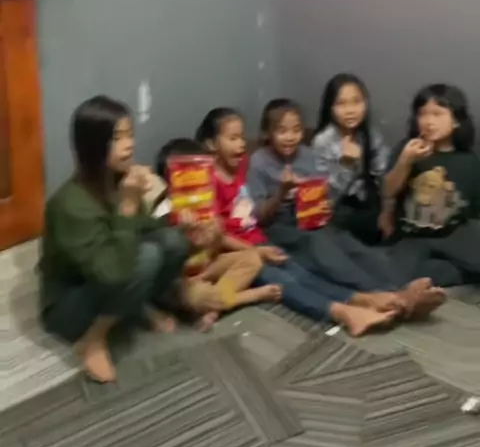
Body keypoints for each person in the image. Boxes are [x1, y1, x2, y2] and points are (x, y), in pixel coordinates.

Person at [195, 107, 442, 335]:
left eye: (241, 137)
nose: (241, 144)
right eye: (233, 138)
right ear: (211, 143)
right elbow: (219, 234)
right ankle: (345, 312)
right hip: (240, 252)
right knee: (286, 279)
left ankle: (369, 299)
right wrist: (256, 249)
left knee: (303, 272)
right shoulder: (207, 180)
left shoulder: (240, 168)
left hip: (259, 241)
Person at [40, 96, 212, 384]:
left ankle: (138, 306)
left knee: (173, 240)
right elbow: (113, 273)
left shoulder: (117, 181)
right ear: (93, 145)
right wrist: (129, 205)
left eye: (130, 134)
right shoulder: (69, 205)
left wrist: (182, 227)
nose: (129, 144)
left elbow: (143, 229)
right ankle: (92, 340)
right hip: (67, 305)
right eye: (117, 138)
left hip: (108, 273)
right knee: (145, 258)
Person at [248, 98, 445, 316]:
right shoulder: (258, 161)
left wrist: (324, 205)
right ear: (268, 133)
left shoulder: (307, 155)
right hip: (280, 227)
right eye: (282, 131)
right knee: (319, 245)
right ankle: (388, 296)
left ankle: (401, 287)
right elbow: (260, 217)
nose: (290, 137)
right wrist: (282, 192)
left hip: (312, 220)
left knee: (348, 243)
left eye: (296, 130)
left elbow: (323, 194)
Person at [155, 138, 283, 331]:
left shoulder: (204, 203)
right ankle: (247, 297)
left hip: (208, 269)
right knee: (200, 296)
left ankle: (216, 306)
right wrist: (185, 234)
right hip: (181, 281)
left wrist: (258, 251)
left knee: (252, 259)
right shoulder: (163, 213)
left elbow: (222, 239)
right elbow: (165, 266)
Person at [381, 84, 480, 285]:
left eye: (437, 114)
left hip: (453, 236)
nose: (428, 121)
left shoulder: (469, 160)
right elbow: (387, 190)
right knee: (390, 274)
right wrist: (405, 161)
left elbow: (474, 212)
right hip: (412, 237)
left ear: (456, 121)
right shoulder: (406, 149)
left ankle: (442, 274)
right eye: (422, 114)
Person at [312, 73, 389, 244]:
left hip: (369, 204)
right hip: (339, 209)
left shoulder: (370, 134)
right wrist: (346, 165)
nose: (350, 110)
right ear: (330, 108)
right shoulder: (323, 141)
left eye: (356, 102)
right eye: (341, 103)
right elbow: (326, 196)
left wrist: (387, 211)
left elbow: (383, 176)